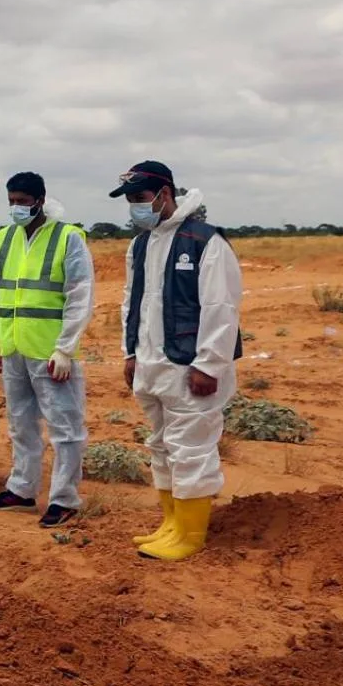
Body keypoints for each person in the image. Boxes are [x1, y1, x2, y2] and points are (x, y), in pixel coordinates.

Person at [117, 162, 242, 562]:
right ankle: (170, 524)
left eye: (140, 198)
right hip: (152, 366)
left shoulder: (205, 242)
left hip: (190, 369)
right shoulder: (141, 244)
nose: (136, 207)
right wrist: (130, 353)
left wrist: (210, 365)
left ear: (164, 194)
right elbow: (131, 303)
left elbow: (221, 308)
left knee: (191, 449)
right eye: (132, 201)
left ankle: (190, 534)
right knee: (161, 446)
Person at [0, 172, 94, 527]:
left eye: (22, 201)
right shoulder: (4, 238)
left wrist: (66, 347)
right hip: (14, 347)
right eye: (11, 201)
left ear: (40, 200)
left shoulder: (68, 238)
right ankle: (22, 489)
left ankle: (64, 499)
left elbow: (80, 295)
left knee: (65, 428)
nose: (16, 207)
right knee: (21, 425)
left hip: (51, 353)